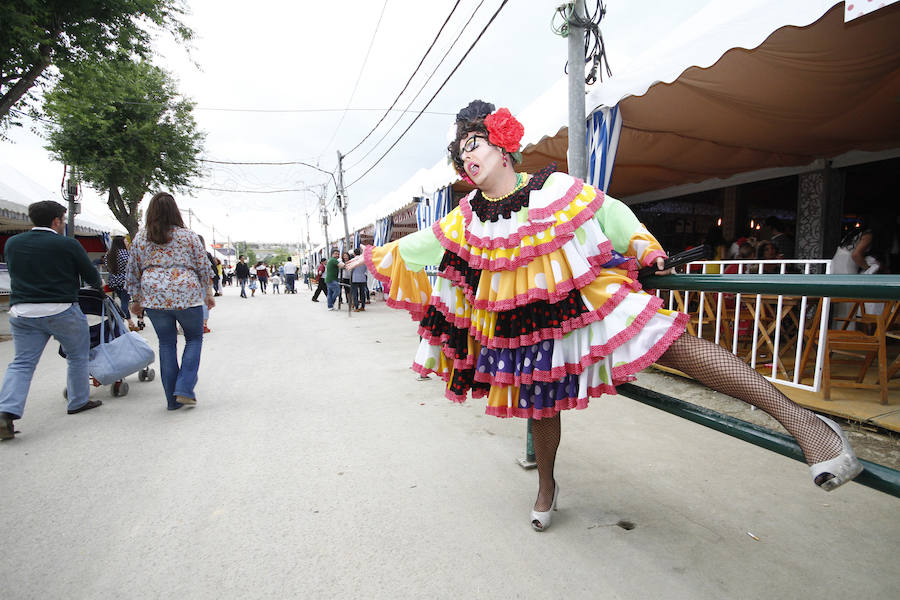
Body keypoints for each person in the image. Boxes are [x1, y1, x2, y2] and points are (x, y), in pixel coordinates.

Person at [348, 100, 862, 531]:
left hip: (588, 303)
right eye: (460, 155)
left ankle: (804, 424)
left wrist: (644, 245)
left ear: (502, 143)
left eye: (473, 145)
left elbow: (611, 213)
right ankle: (547, 485)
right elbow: (423, 244)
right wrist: (370, 257)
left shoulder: (554, 188)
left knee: (674, 343)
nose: (467, 160)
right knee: (539, 404)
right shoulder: (466, 217)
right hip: (524, 326)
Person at [0, 201, 105, 439]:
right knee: (77, 355)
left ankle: (5, 412)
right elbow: (90, 274)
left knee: (22, 363)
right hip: (61, 310)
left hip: (22, 312)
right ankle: (77, 401)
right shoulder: (67, 244)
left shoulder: (13, 244)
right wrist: (97, 287)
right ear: (56, 221)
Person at [126, 192, 215, 411]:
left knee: (166, 344)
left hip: (154, 296)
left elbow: (133, 270)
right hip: (187, 294)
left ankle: (171, 401)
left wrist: (136, 299)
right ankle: (184, 388)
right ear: (175, 211)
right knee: (194, 340)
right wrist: (208, 292)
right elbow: (204, 266)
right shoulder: (188, 236)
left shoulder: (141, 237)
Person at [105, 235, 138, 331]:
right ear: (121, 243)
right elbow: (131, 267)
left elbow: (108, 267)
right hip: (125, 281)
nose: (127, 243)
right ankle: (120, 321)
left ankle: (130, 322)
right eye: (125, 241)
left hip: (114, 281)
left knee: (123, 301)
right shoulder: (125, 253)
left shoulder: (108, 254)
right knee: (124, 302)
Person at [350, 247, 368, 311]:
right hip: (363, 277)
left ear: (354, 254)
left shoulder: (353, 260)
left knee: (355, 293)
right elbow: (366, 269)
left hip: (355, 278)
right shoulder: (364, 260)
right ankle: (363, 306)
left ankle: (356, 307)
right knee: (362, 293)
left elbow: (351, 269)